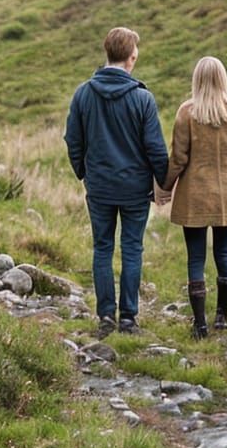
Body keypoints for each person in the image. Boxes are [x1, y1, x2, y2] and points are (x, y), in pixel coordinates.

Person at [64, 25, 169, 335]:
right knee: (132, 248)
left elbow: (73, 140)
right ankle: (128, 319)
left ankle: (106, 316)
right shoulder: (142, 98)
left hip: (99, 187)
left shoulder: (83, 93)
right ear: (131, 58)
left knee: (102, 248)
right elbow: (155, 148)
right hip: (136, 188)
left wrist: (84, 173)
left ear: (107, 53)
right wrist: (163, 184)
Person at [161, 55, 227, 338]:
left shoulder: (187, 112)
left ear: (197, 79)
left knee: (195, 257)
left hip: (195, 195)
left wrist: (165, 187)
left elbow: (178, 158)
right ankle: (222, 317)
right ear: (223, 78)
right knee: (223, 252)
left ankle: (200, 324)